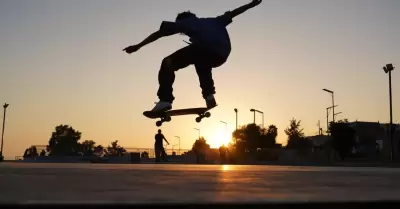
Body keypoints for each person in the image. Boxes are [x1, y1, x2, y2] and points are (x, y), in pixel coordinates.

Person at [123, 0, 263, 113]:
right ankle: (209, 96)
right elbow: (235, 13)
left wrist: (138, 45)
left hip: (205, 50)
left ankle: (165, 100)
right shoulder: (215, 20)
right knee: (201, 62)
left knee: (167, 62)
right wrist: (252, 4)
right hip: (222, 54)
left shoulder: (185, 22)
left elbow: (160, 33)